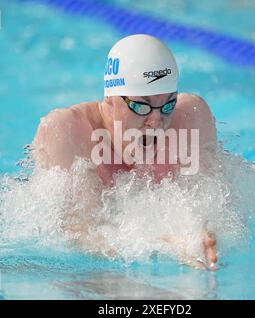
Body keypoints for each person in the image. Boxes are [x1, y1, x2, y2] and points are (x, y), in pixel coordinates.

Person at [32, 34, 219, 270]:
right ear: (110, 99)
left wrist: (203, 234)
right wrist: (161, 242)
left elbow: (214, 201)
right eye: (142, 106)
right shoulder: (67, 131)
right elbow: (78, 234)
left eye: (167, 105)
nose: (156, 121)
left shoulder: (190, 117)